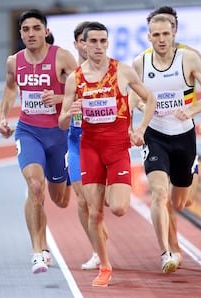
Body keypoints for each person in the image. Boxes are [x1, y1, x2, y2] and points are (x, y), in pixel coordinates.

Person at [58, 21, 156, 287]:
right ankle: (104, 265)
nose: (98, 46)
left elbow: (150, 99)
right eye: (93, 42)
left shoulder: (122, 72)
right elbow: (63, 124)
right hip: (89, 148)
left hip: (117, 149)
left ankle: (103, 251)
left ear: (108, 43)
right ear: (83, 44)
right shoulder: (74, 79)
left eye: (103, 41)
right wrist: (69, 111)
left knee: (120, 208)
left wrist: (141, 129)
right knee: (94, 212)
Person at [130, 14, 201, 274]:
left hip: (184, 137)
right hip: (155, 136)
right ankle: (166, 252)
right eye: (156, 35)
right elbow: (132, 98)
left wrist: (193, 112)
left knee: (180, 202)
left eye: (165, 34)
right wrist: (132, 127)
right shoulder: (140, 63)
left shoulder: (188, 58)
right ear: (148, 37)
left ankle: (192, 171)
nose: (161, 39)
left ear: (174, 33)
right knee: (159, 193)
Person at [0, 9, 77, 275]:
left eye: (36, 28)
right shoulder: (14, 62)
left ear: (46, 31)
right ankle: (38, 251)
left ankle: (65, 181)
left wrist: (60, 99)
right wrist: (2, 117)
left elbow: (83, 91)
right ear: (20, 33)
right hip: (29, 131)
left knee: (60, 199)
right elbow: (10, 89)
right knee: (34, 186)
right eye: (26, 29)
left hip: (59, 134)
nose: (31, 34)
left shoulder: (62, 57)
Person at [67, 21, 109, 271]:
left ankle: (99, 230)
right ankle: (97, 249)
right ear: (78, 43)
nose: (91, 45)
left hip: (104, 141)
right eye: (86, 41)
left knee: (109, 203)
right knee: (82, 200)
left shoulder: (108, 69)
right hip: (75, 140)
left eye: (97, 41)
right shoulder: (69, 72)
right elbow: (59, 102)